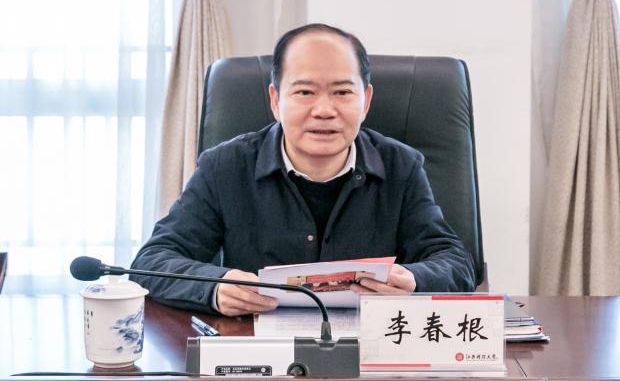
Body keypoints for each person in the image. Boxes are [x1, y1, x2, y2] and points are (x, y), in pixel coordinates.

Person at [131, 23, 476, 316]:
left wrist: (414, 279)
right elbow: (152, 261)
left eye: (342, 92)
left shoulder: (401, 166)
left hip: (369, 351)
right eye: (305, 92)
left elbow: (456, 262)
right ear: (275, 100)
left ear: (366, 101)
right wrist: (214, 288)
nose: (324, 110)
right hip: (257, 350)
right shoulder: (225, 167)